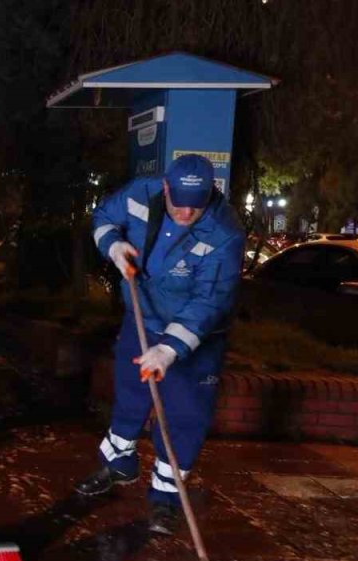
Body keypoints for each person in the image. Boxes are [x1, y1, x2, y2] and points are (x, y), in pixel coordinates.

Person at [75, 154, 244, 534]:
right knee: (132, 391)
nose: (185, 213)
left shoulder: (225, 230)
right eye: (178, 202)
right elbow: (103, 218)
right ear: (165, 187)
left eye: (195, 205)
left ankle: (165, 496)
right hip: (143, 314)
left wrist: (169, 349)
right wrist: (114, 247)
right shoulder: (140, 194)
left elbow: (211, 300)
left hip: (196, 336)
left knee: (185, 413)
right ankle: (118, 463)